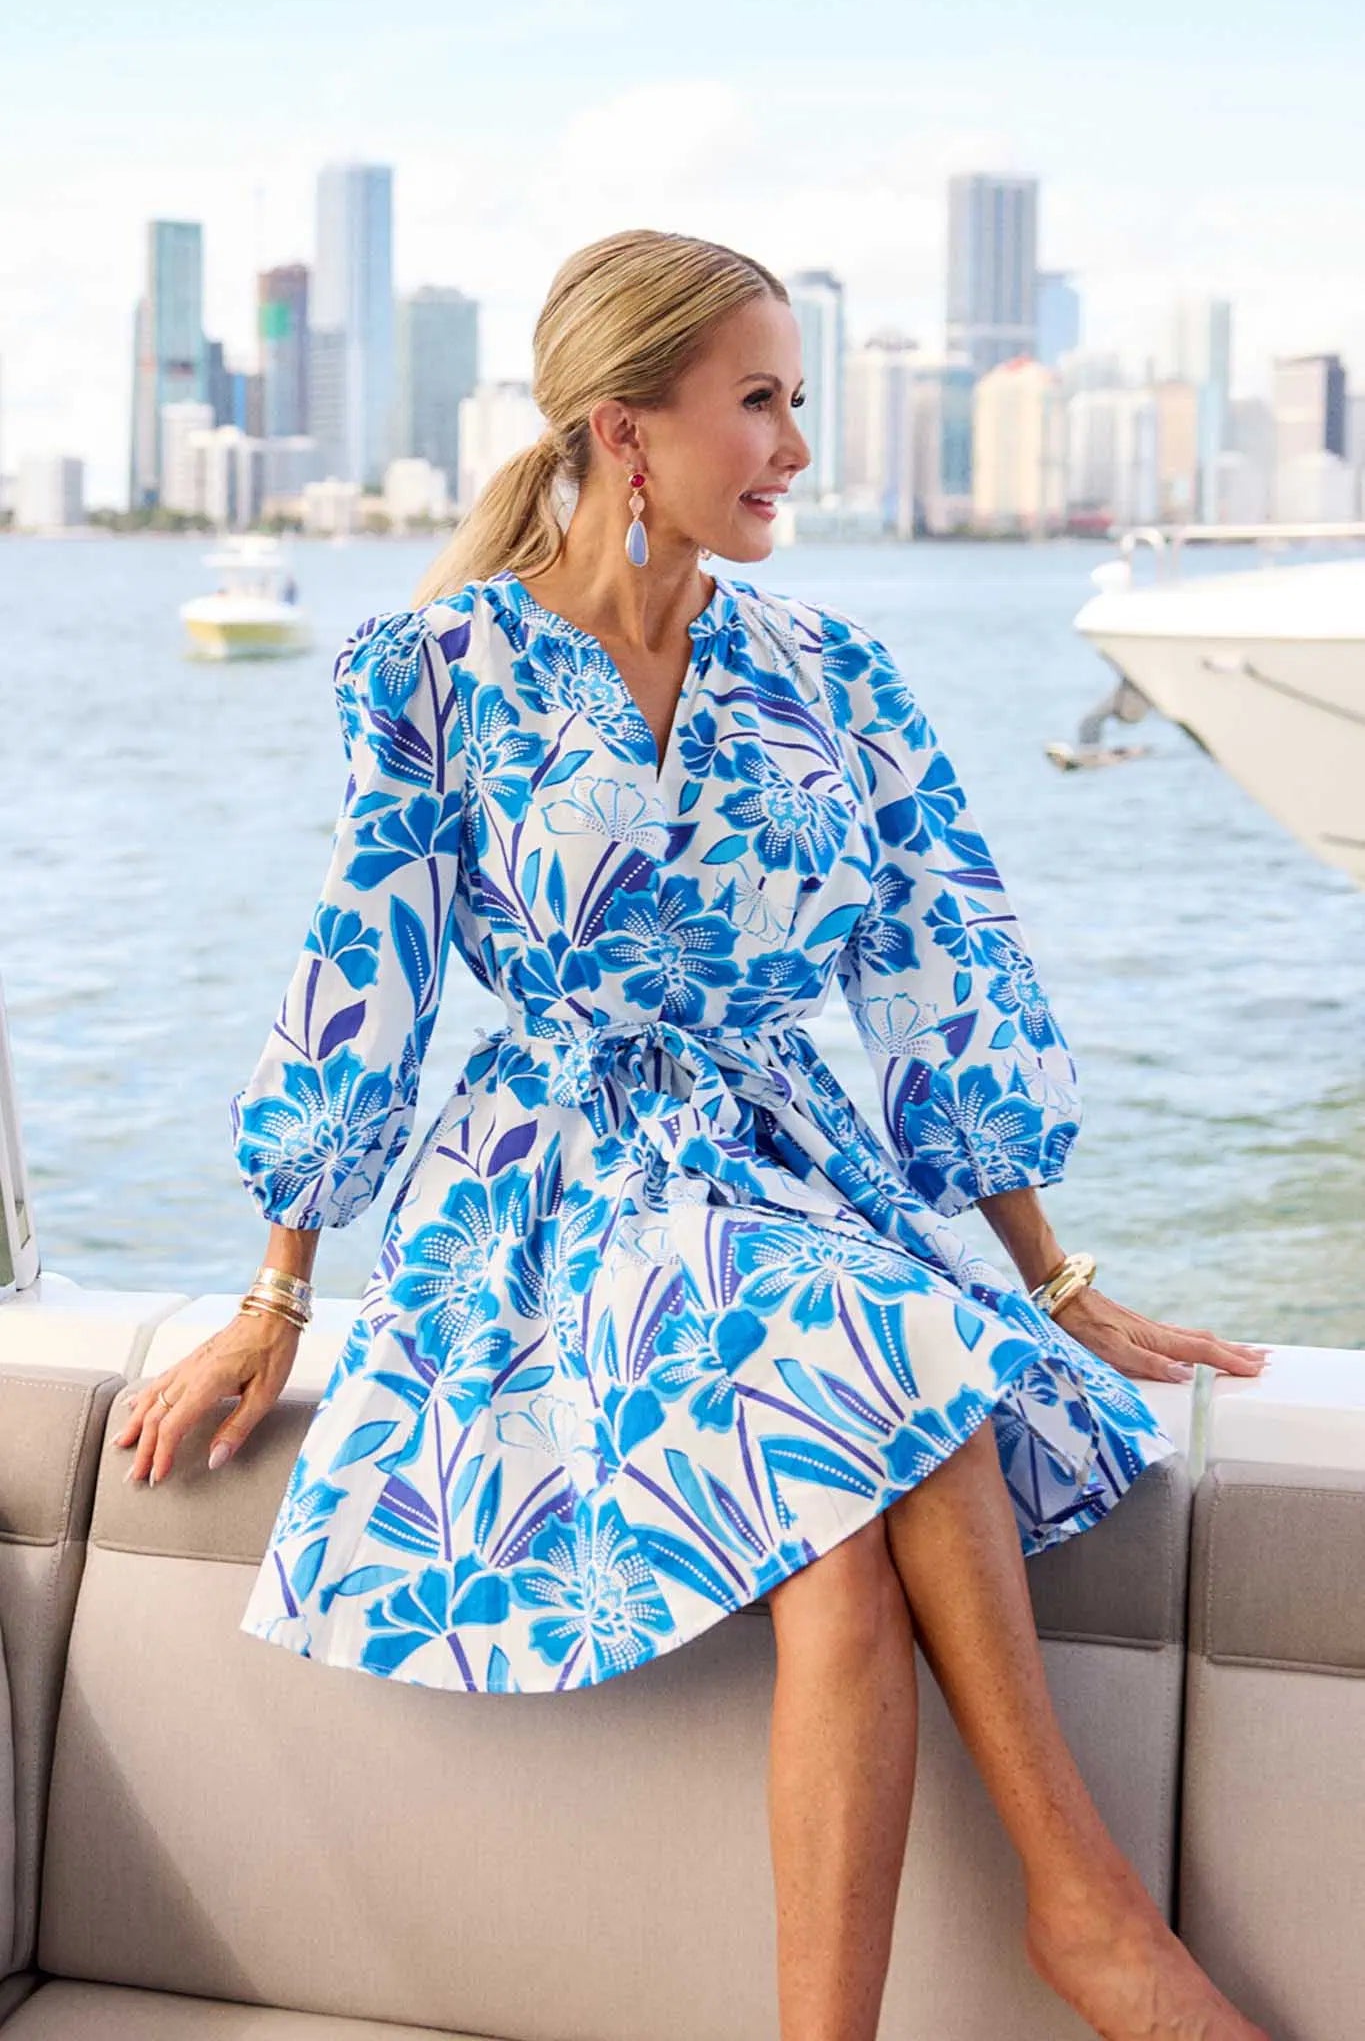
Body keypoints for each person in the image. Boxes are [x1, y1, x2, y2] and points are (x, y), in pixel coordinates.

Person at [113, 229, 1272, 2041]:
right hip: (554, 1193)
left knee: (858, 1485)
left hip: (791, 1171)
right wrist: (277, 1289)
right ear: (624, 429)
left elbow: (937, 969)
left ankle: (1045, 1938)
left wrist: (1054, 1277)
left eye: (798, 400)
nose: (796, 447)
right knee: (889, 1379)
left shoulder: (835, 674)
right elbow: (367, 969)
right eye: (759, 402)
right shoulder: (432, 669)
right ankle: (1093, 1920)